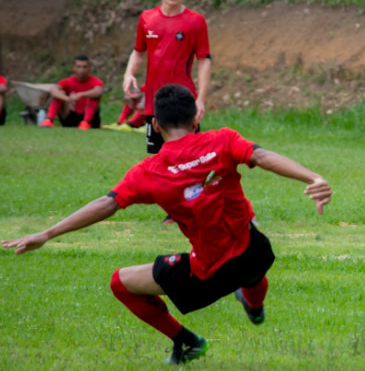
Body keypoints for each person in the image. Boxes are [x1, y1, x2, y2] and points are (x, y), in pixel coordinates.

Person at [3, 84, 333, 365]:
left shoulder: (150, 171)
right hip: (255, 252)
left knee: (120, 283)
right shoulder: (222, 140)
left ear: (155, 126)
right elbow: (261, 156)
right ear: (197, 117)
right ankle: (254, 305)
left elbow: (107, 204)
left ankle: (189, 341)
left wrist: (46, 233)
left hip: (210, 273)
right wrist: (313, 177)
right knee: (252, 259)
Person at [123, 0, 211, 154]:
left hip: (184, 98)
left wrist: (201, 99)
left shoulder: (196, 21)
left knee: (191, 156)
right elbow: (138, 52)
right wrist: (129, 74)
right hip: (155, 101)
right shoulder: (147, 18)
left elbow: (204, 60)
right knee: (157, 158)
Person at [39, 54, 104, 129]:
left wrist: (81, 95)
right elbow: (53, 90)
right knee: (59, 94)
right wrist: (67, 99)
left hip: (90, 118)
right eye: (78, 67)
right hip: (71, 116)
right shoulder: (68, 81)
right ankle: (49, 120)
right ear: (73, 67)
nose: (81, 70)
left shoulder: (96, 81)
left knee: (93, 96)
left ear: (89, 68)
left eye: (84, 67)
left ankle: (86, 122)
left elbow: (99, 91)